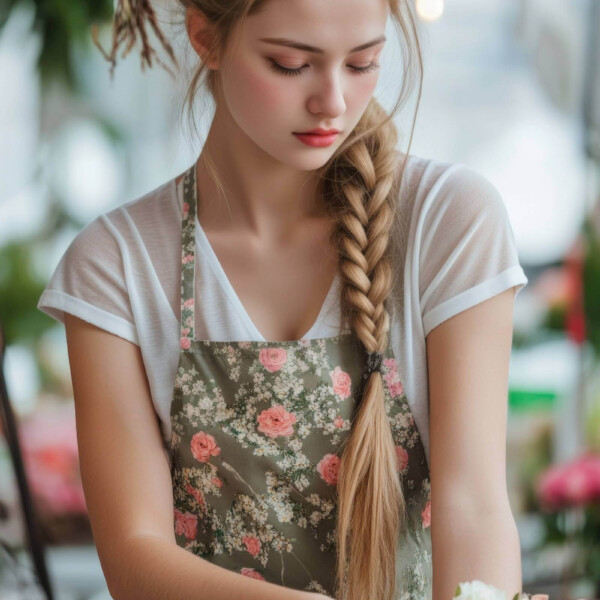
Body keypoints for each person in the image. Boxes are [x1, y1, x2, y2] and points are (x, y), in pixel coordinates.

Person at [37, 0, 529, 599]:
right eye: (291, 64)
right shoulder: (118, 265)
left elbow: (474, 505)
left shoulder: (448, 221)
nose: (334, 102)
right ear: (205, 38)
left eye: (362, 62)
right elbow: (136, 562)